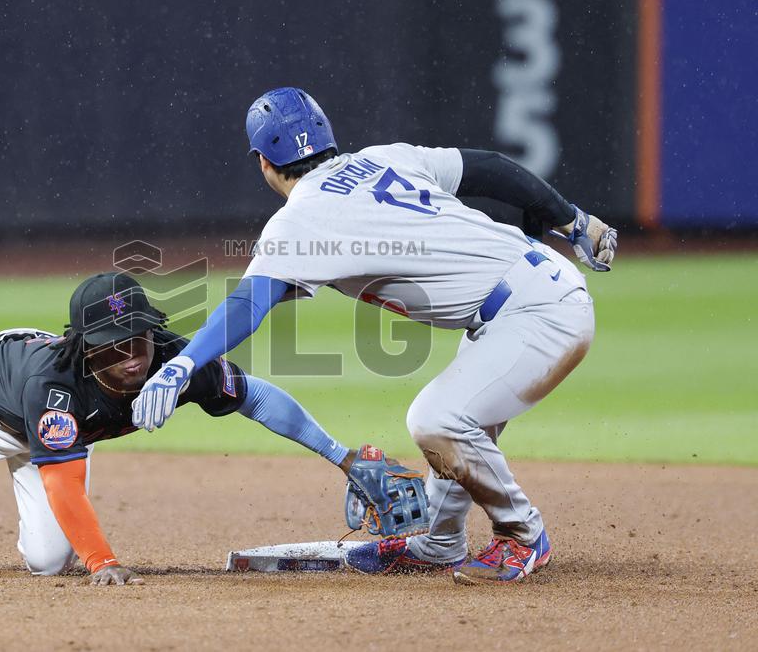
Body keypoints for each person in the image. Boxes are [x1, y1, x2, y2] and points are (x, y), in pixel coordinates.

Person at [132, 87, 618, 584]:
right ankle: (442, 542)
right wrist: (571, 219)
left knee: (439, 419)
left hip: (539, 311)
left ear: (262, 162)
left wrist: (182, 364)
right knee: (464, 414)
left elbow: (247, 303)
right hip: (530, 296)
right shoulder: (385, 158)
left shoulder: (298, 221)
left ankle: (522, 536)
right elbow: (491, 168)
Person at [0, 272, 363, 585]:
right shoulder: (56, 389)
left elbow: (257, 397)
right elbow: (63, 484)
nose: (132, 355)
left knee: (49, 564)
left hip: (47, 419)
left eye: (140, 337)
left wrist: (345, 459)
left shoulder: (170, 362)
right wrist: (104, 561)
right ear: (87, 345)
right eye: (114, 343)